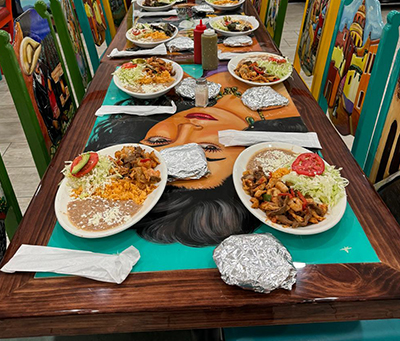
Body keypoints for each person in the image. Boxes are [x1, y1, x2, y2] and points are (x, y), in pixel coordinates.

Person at [87, 71, 307, 247]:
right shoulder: (290, 113)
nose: (186, 128)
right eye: (209, 149)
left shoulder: (178, 90)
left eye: (158, 141)